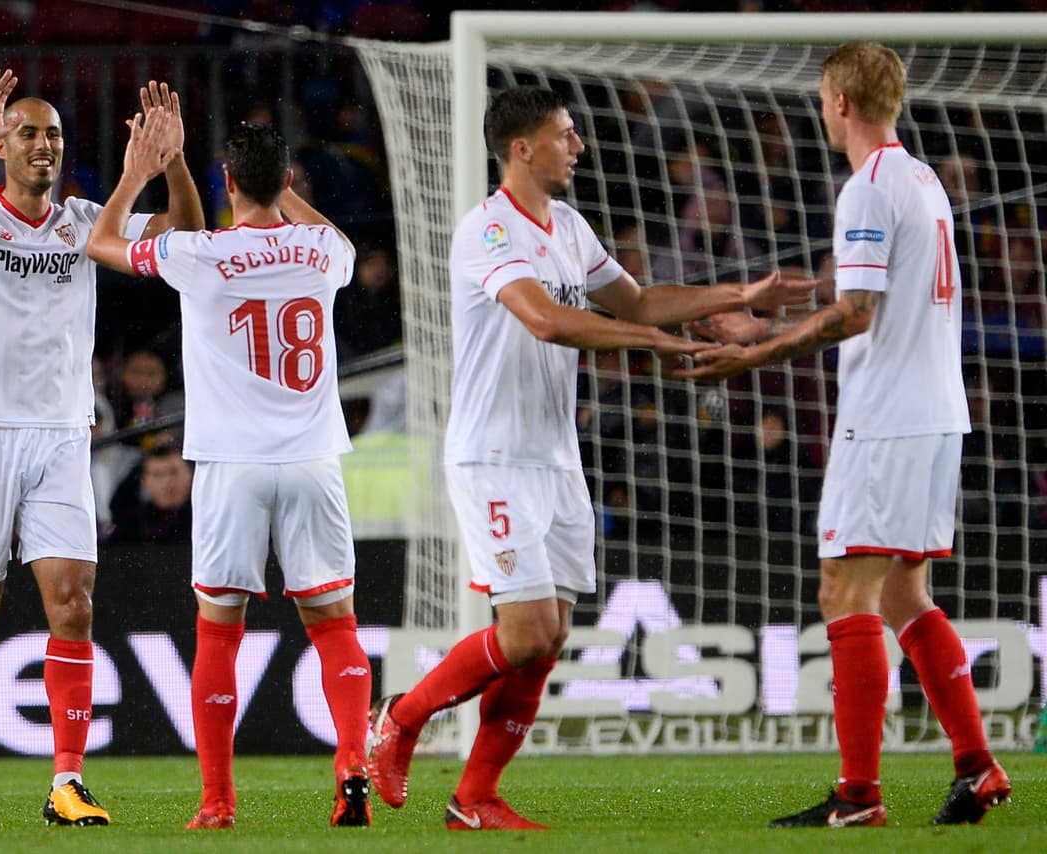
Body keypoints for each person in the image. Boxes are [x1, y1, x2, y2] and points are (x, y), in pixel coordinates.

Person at [363, 85, 814, 831]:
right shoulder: (489, 231)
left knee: (549, 641)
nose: (579, 147)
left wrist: (738, 295)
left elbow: (635, 302)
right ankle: (401, 719)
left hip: (557, 459)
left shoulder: (568, 225)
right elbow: (545, 320)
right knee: (523, 633)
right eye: (567, 135)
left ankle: (475, 799)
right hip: (494, 456)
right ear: (522, 149)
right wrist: (657, 346)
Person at [678, 42, 1011, 828]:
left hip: (887, 417)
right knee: (903, 591)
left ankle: (859, 795)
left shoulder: (865, 188)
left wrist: (753, 351)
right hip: (936, 413)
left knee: (844, 589)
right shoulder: (921, 178)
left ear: (836, 101)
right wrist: (777, 308)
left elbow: (858, 315)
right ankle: (978, 765)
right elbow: (870, 291)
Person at [0, 69, 201, 826]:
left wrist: (173, 161)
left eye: (52, 133)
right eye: (27, 132)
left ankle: (67, 781)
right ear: (3, 147)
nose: (43, 143)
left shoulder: (87, 220)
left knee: (72, 606)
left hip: (58, 438)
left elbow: (185, 236)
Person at [87, 116, 374, 830]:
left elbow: (100, 241)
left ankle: (217, 802)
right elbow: (331, 234)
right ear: (285, 181)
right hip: (312, 461)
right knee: (335, 627)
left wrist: (143, 167)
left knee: (219, 633)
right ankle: (353, 770)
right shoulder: (323, 250)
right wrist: (286, 198)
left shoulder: (203, 253)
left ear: (226, 183)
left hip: (232, 466)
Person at [107, 441, 194, 545]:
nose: (167, 483)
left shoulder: (205, 519)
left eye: (174, 472)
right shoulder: (131, 527)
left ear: (190, 474)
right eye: (157, 475)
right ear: (145, 481)